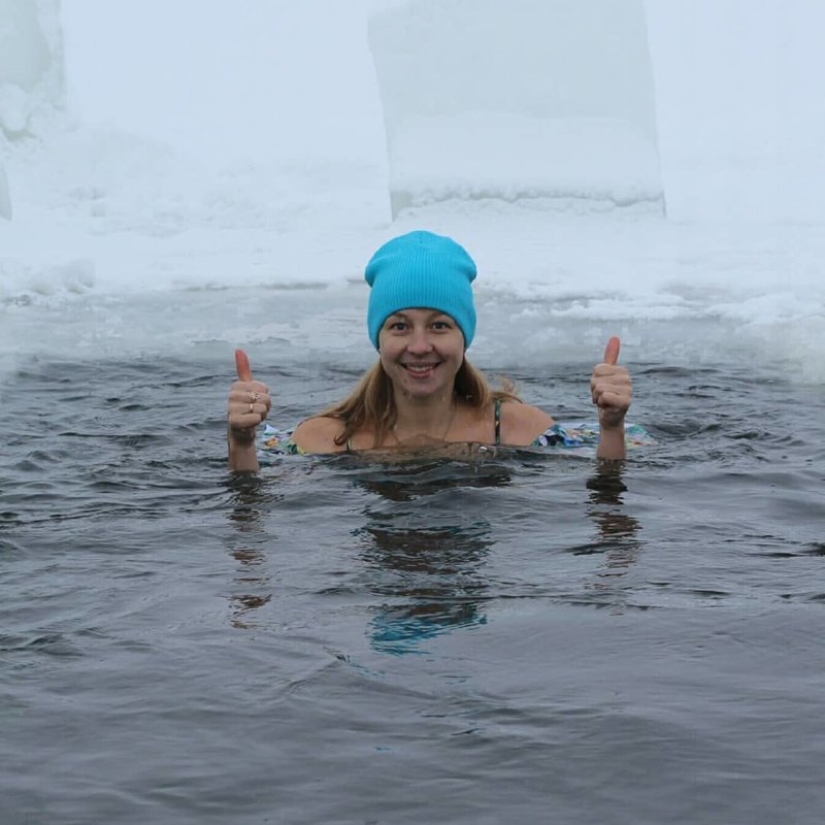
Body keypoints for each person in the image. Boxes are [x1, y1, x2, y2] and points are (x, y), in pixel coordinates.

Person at [227, 230, 632, 472]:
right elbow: (251, 517)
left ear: (463, 337)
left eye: (439, 325)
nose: (420, 347)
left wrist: (612, 428)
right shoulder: (324, 438)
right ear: (379, 339)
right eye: (399, 326)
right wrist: (242, 443)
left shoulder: (518, 429)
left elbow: (609, 495)